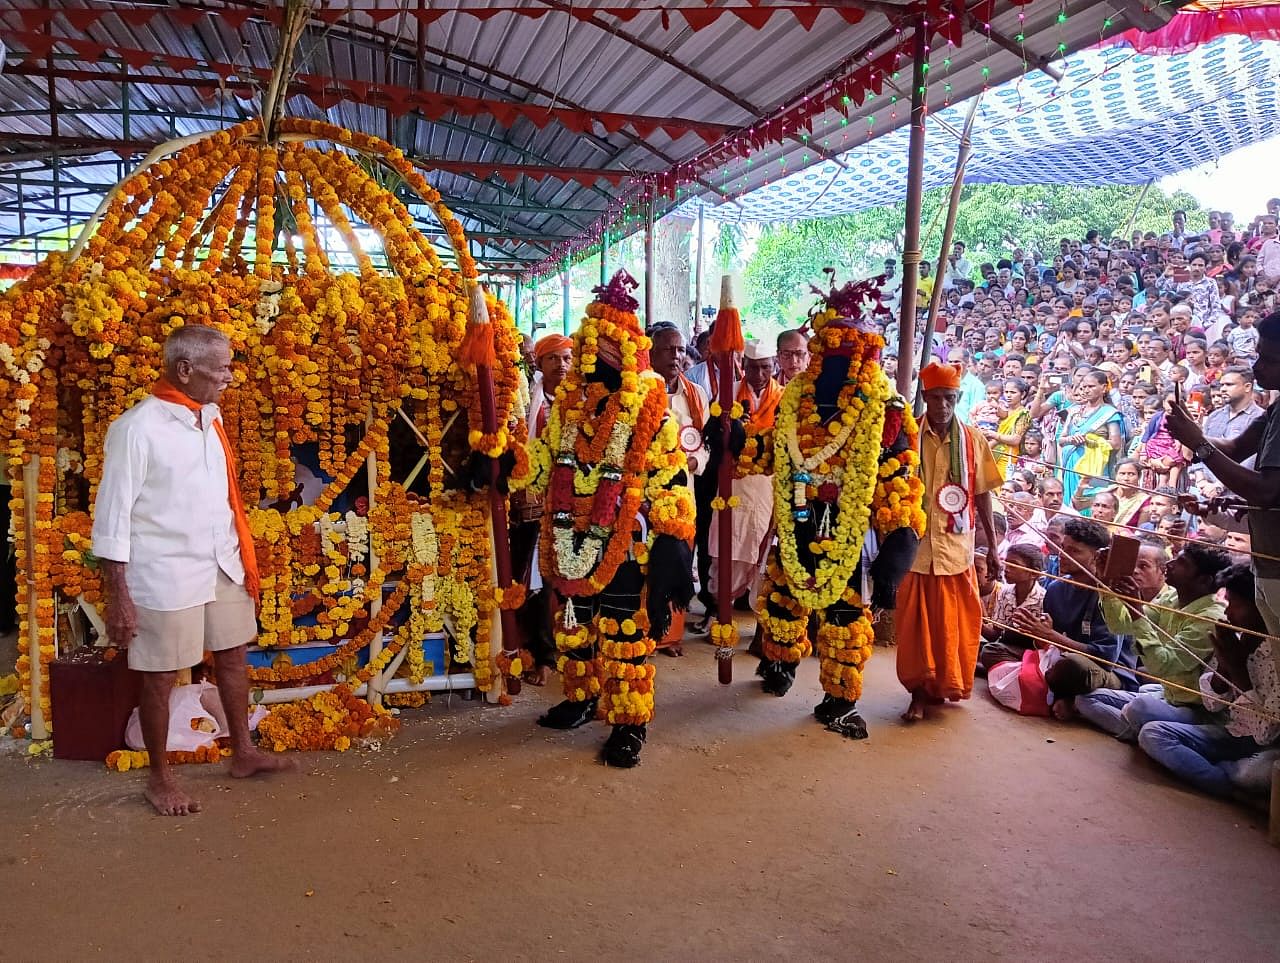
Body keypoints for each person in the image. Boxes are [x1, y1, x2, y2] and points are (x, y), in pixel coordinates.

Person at [92, 326, 292, 816]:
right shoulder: (136, 429)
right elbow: (112, 518)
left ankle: (242, 752)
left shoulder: (209, 416)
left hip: (221, 561)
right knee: (159, 677)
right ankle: (160, 778)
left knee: (233, 656)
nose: (229, 375)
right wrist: (118, 594)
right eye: (221, 367)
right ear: (185, 370)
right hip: (165, 573)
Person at [509, 271, 695, 768]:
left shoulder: (652, 413)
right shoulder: (567, 411)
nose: (592, 359)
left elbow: (672, 482)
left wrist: (675, 543)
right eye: (587, 348)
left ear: (627, 355)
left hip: (624, 544)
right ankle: (581, 696)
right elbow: (541, 462)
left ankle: (629, 722)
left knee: (623, 633)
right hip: (569, 538)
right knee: (574, 628)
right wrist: (505, 461)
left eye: (603, 350)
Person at [751, 275, 923, 739]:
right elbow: (765, 454)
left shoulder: (885, 408)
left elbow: (899, 479)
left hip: (852, 532)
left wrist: (899, 546)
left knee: (846, 618)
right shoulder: (792, 401)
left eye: (846, 350)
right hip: (796, 523)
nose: (835, 358)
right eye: (827, 349)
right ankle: (781, 664)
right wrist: (734, 439)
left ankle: (840, 698)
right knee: (783, 603)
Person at [1163, 309, 1280, 645]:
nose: (1257, 368)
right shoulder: (1276, 407)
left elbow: (1267, 492)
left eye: (1269, 359)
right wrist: (1192, 431)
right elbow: (1237, 447)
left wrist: (1197, 443)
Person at [896, 361, 1001, 722]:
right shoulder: (907, 436)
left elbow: (983, 494)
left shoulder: (974, 440)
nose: (942, 405)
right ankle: (918, 693)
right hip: (916, 549)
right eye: (936, 398)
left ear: (957, 399)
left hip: (956, 550)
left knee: (952, 627)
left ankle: (942, 686)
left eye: (949, 398)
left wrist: (994, 545)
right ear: (925, 397)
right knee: (916, 629)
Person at [1139, 564, 1280, 797]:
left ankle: (1225, 779)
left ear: (1261, 608)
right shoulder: (1235, 639)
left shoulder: (1275, 656)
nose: (1228, 613)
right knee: (1153, 733)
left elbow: (1265, 734)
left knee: (1253, 774)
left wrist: (1237, 669)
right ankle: (1226, 781)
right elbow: (1212, 704)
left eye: (1235, 604)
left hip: (1265, 746)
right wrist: (1224, 668)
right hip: (1231, 731)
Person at [1075, 542, 1228, 740]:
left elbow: (1162, 666)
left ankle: (1146, 731)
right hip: (1168, 695)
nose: (1170, 564)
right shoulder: (1172, 598)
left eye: (1182, 563)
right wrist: (1107, 583)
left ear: (1204, 581)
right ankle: (1141, 730)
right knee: (1086, 699)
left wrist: (1135, 607)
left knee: (1140, 708)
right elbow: (1121, 626)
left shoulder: (1210, 618)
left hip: (1195, 708)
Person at [1010, 517, 1137, 717]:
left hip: (1105, 672)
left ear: (1097, 557)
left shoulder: (1108, 595)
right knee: (995, 650)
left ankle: (1062, 697)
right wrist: (1039, 634)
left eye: (1074, 551)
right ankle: (1059, 696)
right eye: (1063, 547)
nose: (1063, 555)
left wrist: (1051, 636)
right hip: (1059, 658)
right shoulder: (1056, 588)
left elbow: (1106, 658)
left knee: (1073, 666)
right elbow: (1049, 644)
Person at [707, 340, 779, 629]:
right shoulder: (726, 395)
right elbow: (710, 439)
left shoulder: (784, 397)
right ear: (743, 366)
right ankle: (717, 610)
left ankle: (759, 622)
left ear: (773, 366)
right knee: (725, 546)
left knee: (761, 552)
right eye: (752, 368)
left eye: (764, 368)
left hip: (767, 486)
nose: (759, 375)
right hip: (733, 484)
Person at [1056, 368, 1124, 509]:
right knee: (1070, 503)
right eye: (1083, 387)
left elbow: (1116, 444)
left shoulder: (1110, 413)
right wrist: (1072, 439)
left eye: (1091, 386)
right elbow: (1061, 440)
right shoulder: (1074, 411)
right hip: (1071, 464)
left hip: (1095, 466)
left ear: (1104, 388)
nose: (1086, 390)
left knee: (1090, 503)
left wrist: (1091, 440)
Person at [977, 543, 1047, 671]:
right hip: (1004, 647)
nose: (1007, 569)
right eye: (1007, 564)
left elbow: (1040, 644)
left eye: (1014, 565)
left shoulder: (1043, 599)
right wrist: (975, 620)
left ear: (1034, 574)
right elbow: (995, 634)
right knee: (975, 646)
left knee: (989, 652)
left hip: (1029, 651)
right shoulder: (1005, 592)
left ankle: (1015, 669)